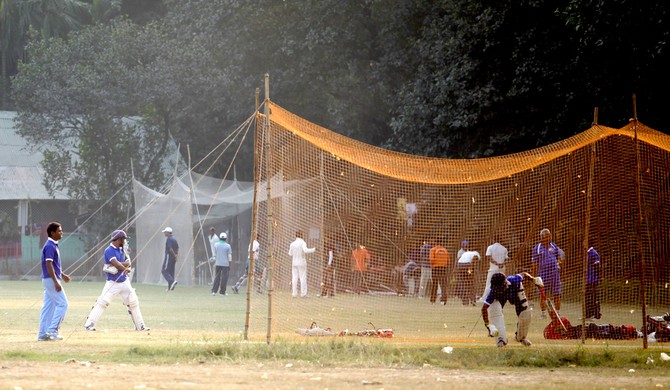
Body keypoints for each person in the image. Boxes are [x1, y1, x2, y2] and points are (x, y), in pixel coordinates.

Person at [84, 230, 149, 331]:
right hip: (113, 282)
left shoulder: (122, 250)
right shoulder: (109, 250)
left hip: (124, 281)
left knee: (133, 301)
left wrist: (122, 265)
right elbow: (117, 264)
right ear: (119, 239)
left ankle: (140, 326)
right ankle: (89, 324)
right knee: (103, 302)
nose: (125, 242)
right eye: (124, 239)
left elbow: (128, 263)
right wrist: (124, 267)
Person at [481, 272, 543, 347]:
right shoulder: (493, 292)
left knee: (525, 312)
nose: (498, 290)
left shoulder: (514, 280)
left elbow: (523, 274)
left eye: (499, 287)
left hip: (515, 292)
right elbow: (484, 308)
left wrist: (533, 279)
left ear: (504, 283)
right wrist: (488, 325)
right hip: (500, 298)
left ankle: (521, 337)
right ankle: (501, 339)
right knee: (495, 312)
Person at [38, 222, 70, 341]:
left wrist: (62, 275)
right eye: (59, 231)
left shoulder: (53, 244)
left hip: (48, 279)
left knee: (47, 308)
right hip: (50, 280)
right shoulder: (50, 246)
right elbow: (48, 264)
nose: (62, 232)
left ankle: (42, 334)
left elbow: (54, 266)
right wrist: (56, 281)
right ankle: (52, 331)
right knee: (63, 304)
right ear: (52, 233)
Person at [531, 228, 564, 319]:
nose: (548, 238)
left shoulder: (554, 246)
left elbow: (559, 259)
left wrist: (561, 270)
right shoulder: (537, 248)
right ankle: (543, 313)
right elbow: (534, 264)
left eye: (549, 236)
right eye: (546, 236)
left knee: (557, 294)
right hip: (543, 274)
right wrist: (533, 277)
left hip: (554, 273)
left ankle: (558, 313)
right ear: (541, 238)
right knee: (542, 294)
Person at [289, 231, 316, 298]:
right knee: (302, 277)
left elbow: (290, 253)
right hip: (301, 262)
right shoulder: (302, 242)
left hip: (294, 262)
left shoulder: (292, 244)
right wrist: (313, 249)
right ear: (302, 235)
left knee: (294, 278)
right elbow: (305, 250)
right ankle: (303, 293)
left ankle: (294, 293)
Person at [429, 238, 450, 305]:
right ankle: (443, 300)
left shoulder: (433, 250)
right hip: (443, 268)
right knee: (443, 284)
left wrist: (433, 265)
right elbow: (448, 261)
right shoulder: (445, 250)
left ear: (435, 242)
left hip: (435, 268)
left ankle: (433, 300)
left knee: (434, 284)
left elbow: (431, 260)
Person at [585, 246, 602, 321]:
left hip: (593, 279)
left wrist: (599, 277)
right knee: (587, 297)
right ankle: (588, 315)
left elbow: (598, 265)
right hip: (587, 279)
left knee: (594, 297)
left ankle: (597, 315)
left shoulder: (593, 253)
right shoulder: (587, 253)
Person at [161, 226, 179, 291]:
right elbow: (177, 248)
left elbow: (170, 248)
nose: (164, 233)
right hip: (173, 258)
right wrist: (176, 256)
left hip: (169, 256)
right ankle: (170, 287)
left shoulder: (169, 239)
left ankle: (172, 282)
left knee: (164, 270)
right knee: (171, 272)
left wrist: (174, 255)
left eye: (165, 232)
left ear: (168, 233)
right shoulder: (174, 239)